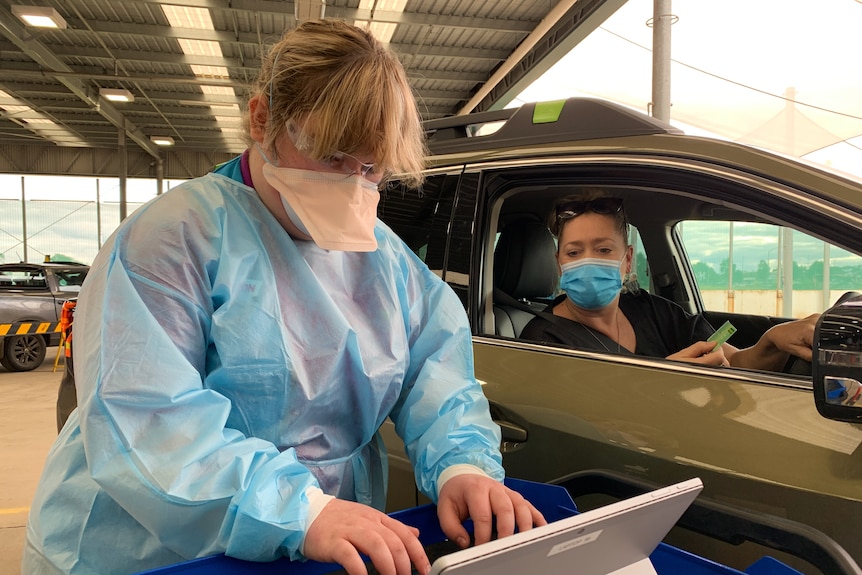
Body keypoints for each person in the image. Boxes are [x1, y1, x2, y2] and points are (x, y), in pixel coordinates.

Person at [23, 20, 545, 575]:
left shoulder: (389, 265)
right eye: (332, 155)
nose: (351, 184)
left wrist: (462, 467)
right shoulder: (173, 239)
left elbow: (438, 380)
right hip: (149, 550)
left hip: (310, 543)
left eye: (371, 169)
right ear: (263, 119)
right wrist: (297, 508)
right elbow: (147, 421)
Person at [520, 189, 818, 370]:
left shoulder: (655, 312)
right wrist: (665, 379)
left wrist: (772, 342)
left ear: (627, 260)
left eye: (603, 249)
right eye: (574, 252)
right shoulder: (542, 340)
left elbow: (735, 363)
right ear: (560, 265)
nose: (588, 261)